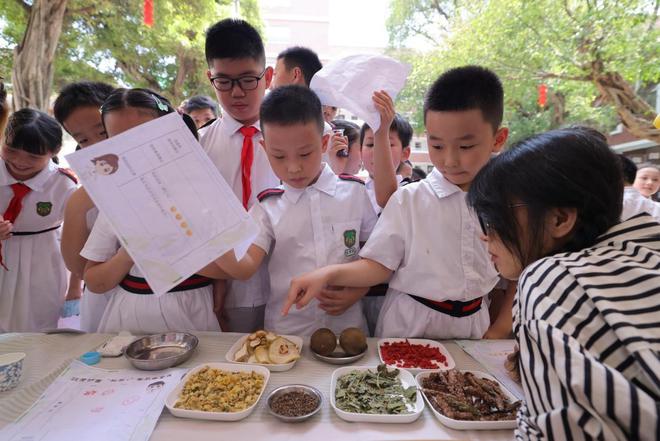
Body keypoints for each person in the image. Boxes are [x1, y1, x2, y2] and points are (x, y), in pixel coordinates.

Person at [283, 66, 512, 339]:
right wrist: (327, 274)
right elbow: (379, 265)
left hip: (474, 326)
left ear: (498, 139)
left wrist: (498, 330)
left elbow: (512, 278)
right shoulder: (410, 200)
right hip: (409, 326)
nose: (450, 160)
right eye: (437, 146)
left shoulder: (506, 205)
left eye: (465, 147)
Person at [467, 127, 659, 441]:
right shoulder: (645, 246)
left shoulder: (548, 278)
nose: (485, 234)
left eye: (495, 217)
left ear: (559, 219)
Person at [213, 85, 377, 336]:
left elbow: (375, 259)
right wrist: (211, 233)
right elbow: (244, 268)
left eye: (304, 154)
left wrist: (359, 290)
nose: (293, 168)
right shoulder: (267, 207)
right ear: (265, 149)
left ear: (323, 143)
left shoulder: (355, 193)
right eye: (279, 156)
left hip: (348, 331)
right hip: (288, 335)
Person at [80, 88, 221, 334]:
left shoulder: (203, 195)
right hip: (130, 322)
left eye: (143, 136)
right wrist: (131, 251)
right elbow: (94, 281)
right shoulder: (117, 202)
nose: (133, 150)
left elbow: (227, 270)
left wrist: (178, 251)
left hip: (196, 315)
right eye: (119, 141)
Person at [199, 18, 277, 332]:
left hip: (285, 282)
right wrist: (217, 278)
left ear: (268, 76)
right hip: (220, 285)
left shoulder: (301, 142)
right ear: (210, 78)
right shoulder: (200, 147)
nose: (236, 93)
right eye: (223, 81)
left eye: (247, 79)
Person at [0, 109, 78, 331]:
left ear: (54, 151)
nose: (19, 161)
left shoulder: (64, 185)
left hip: (42, 265)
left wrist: (74, 288)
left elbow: (80, 239)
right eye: (11, 149)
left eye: (33, 156)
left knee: (37, 326)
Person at [55, 81, 115, 331]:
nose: (96, 144)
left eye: (102, 132)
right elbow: (77, 267)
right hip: (103, 301)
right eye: (83, 139)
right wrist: (79, 205)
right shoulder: (81, 196)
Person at [619, 154, 660, 221]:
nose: (650, 182)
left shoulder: (658, 207)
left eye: (655, 180)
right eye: (644, 178)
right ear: (633, 178)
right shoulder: (621, 201)